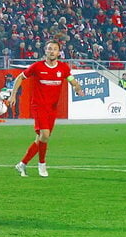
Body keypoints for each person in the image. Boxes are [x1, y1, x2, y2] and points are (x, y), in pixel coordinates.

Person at [11, 40, 84, 178]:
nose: (52, 51)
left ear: (59, 52)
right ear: (45, 50)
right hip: (39, 106)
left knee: (41, 139)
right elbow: (20, 77)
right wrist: (13, 94)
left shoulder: (63, 68)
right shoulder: (37, 67)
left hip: (52, 108)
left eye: (55, 49)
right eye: (49, 48)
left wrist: (77, 88)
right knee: (44, 135)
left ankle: (22, 164)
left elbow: (72, 80)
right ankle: (42, 165)